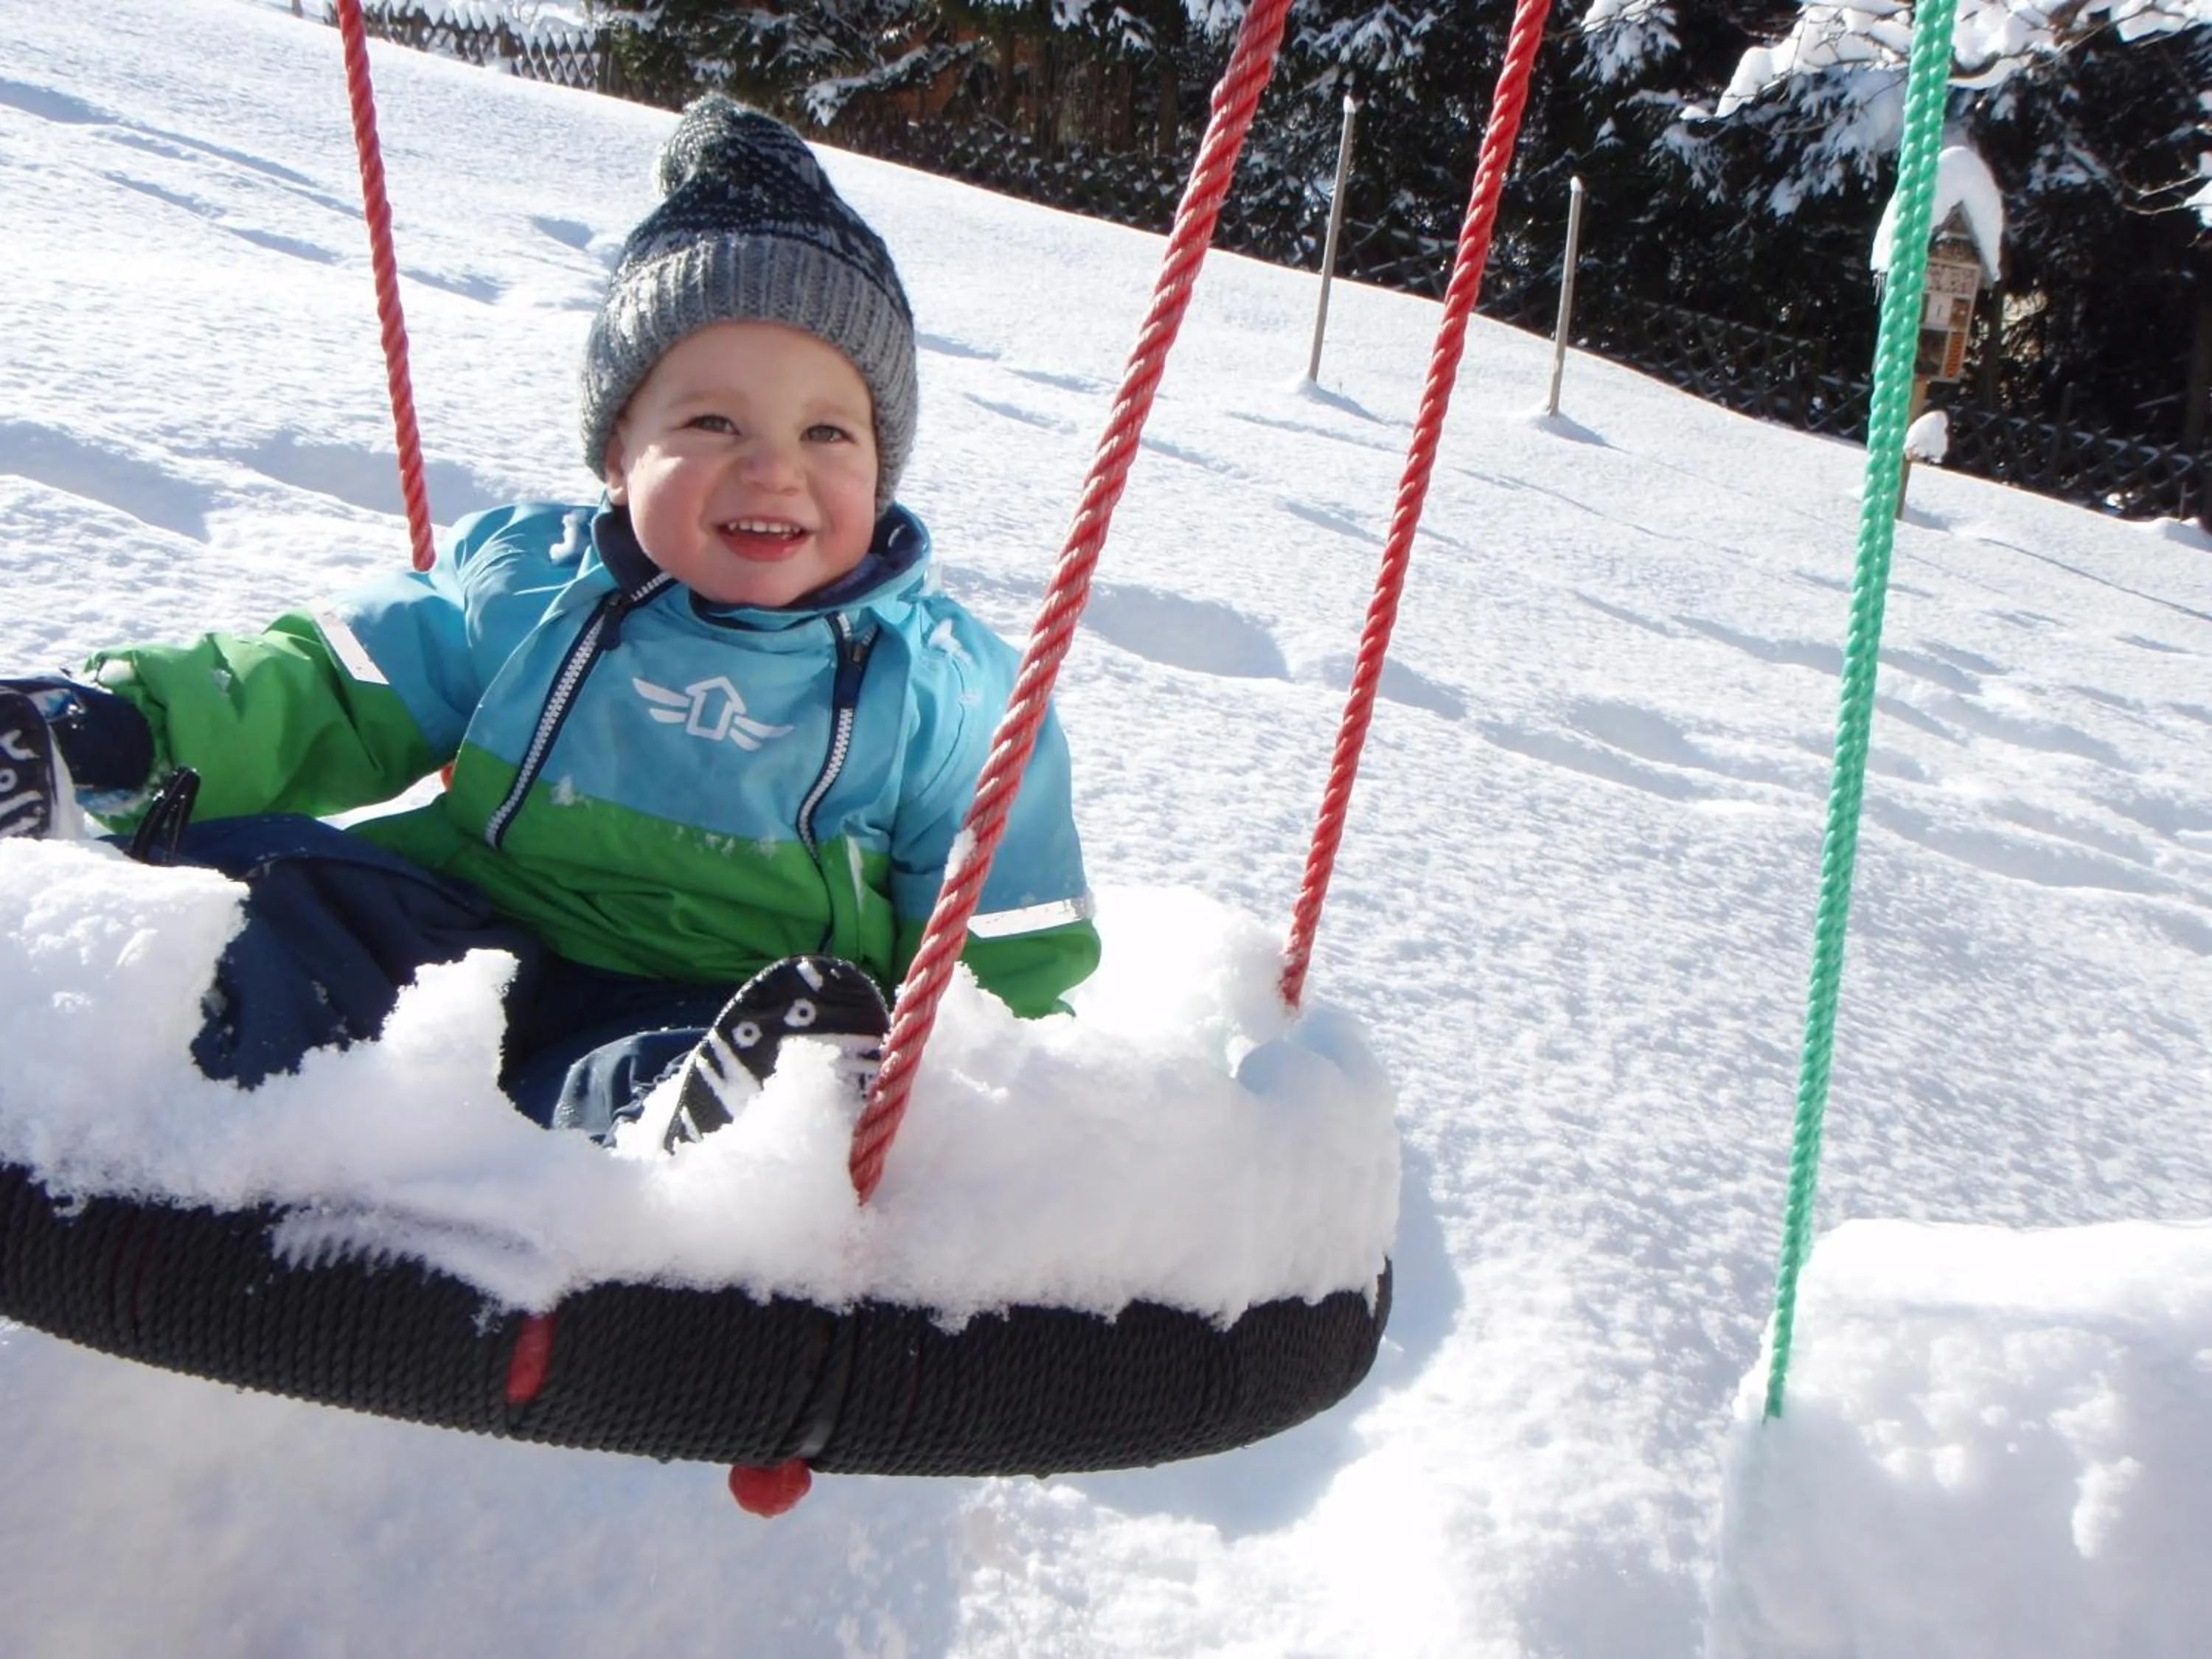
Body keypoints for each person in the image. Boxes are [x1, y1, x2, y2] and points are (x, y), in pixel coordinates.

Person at [0, 95, 1099, 1141]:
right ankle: (117, 941)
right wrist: (139, 721)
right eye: (714, 421)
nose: (775, 470)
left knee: (673, 1057)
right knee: (273, 878)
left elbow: (1005, 920)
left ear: (884, 466)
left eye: (830, 434)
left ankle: (712, 1121)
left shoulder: (950, 687)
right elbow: (328, 686)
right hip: (458, 948)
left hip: (720, 993)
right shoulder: (528, 583)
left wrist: (984, 1091)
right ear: (620, 454)